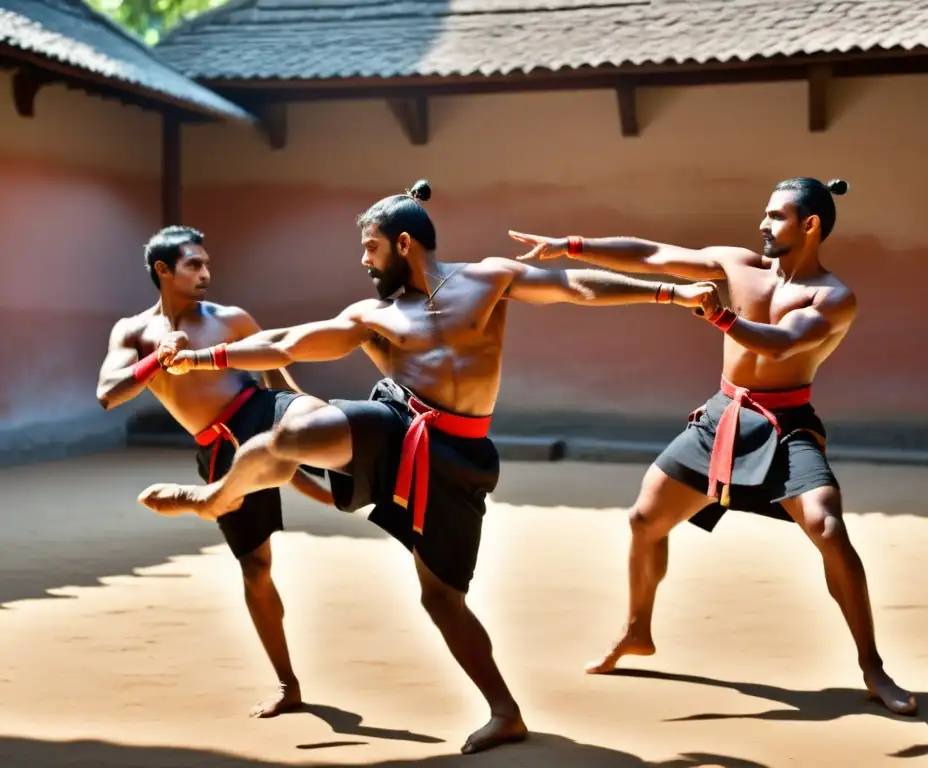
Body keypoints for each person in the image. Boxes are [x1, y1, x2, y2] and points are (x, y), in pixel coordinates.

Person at [135, 180, 718, 754]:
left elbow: (575, 287)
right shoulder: (376, 313)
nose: (364, 260)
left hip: (459, 457)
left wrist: (673, 293)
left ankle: (505, 713)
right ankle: (216, 498)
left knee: (441, 598)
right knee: (286, 433)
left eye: (370, 247)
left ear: (404, 242)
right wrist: (202, 359)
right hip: (394, 422)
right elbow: (288, 342)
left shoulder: (487, 280)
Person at [507, 177, 917, 716]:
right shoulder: (737, 264)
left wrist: (718, 315)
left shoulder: (832, 297)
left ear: (810, 225)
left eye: (776, 216)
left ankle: (872, 666)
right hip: (722, 417)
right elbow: (654, 255)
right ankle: (637, 631)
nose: (763, 225)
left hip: (785, 423)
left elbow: (783, 345)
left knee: (828, 528)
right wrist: (573, 245)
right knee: (644, 520)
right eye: (764, 215)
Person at [95, 225, 333, 718]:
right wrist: (156, 363)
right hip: (217, 448)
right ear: (163, 271)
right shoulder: (133, 332)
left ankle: (349, 469)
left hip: (261, 412)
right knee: (256, 569)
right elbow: (108, 393)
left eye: (207, 264)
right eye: (193, 265)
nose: (206, 273)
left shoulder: (231, 318)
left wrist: (299, 422)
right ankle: (289, 686)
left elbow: (275, 371)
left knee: (329, 438)